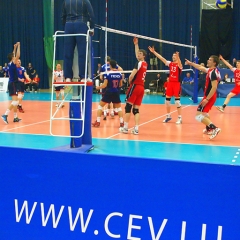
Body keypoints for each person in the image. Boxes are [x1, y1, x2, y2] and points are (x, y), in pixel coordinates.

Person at [185, 55, 221, 140]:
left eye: (210, 60)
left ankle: (215, 128)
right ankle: (209, 129)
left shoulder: (213, 73)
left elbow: (214, 87)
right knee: (204, 113)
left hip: (209, 96)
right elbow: (200, 67)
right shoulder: (211, 70)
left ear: (214, 63)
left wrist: (207, 99)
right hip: (209, 96)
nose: (208, 61)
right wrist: (191, 63)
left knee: (198, 116)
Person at [119, 37, 147, 135]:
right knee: (136, 110)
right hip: (142, 88)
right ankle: (136, 129)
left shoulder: (138, 63)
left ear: (143, 56)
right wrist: (136, 45)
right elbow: (137, 56)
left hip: (135, 86)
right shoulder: (145, 64)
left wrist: (129, 81)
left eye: (140, 54)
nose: (138, 55)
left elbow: (132, 75)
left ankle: (126, 128)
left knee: (127, 107)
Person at [61, 0, 95, 82]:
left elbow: (62, 17)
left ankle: (68, 77)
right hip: (81, 25)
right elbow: (91, 15)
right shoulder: (85, 1)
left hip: (68, 26)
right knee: (82, 53)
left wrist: (66, 25)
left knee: (68, 53)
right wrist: (92, 28)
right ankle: (83, 77)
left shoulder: (66, 1)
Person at [148, 47, 183, 124]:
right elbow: (161, 58)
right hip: (170, 84)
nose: (173, 57)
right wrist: (154, 52)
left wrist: (178, 57)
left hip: (176, 84)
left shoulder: (179, 65)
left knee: (177, 102)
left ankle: (180, 117)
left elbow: (180, 64)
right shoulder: (170, 63)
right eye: (173, 56)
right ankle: (168, 116)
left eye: (175, 56)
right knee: (167, 101)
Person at [92, 59, 123, 127]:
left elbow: (105, 85)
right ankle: (121, 122)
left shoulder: (108, 73)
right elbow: (120, 85)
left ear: (110, 66)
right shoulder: (119, 74)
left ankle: (98, 121)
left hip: (109, 92)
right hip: (116, 92)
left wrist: (98, 87)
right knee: (119, 108)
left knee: (100, 106)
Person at [1, 42, 21, 124]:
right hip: (13, 84)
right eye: (14, 57)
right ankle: (5, 115)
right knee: (15, 102)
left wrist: (15, 47)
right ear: (13, 58)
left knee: (15, 102)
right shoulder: (12, 64)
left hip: (12, 83)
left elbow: (13, 55)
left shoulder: (10, 64)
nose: (15, 58)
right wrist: (19, 46)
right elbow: (18, 56)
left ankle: (15, 117)